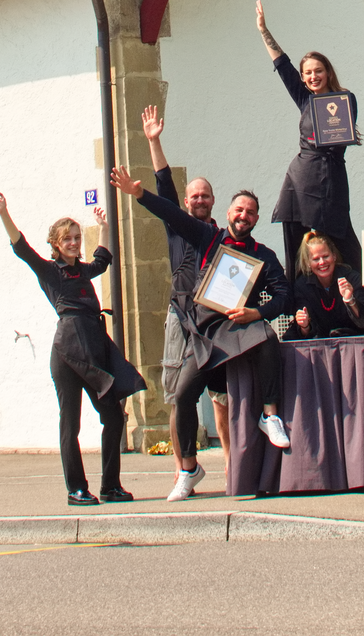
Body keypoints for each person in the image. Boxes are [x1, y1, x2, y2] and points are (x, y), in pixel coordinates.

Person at [110, 164, 292, 501]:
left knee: (267, 337)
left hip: (240, 329)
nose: (244, 215)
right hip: (206, 333)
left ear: (255, 219)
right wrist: (139, 193)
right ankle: (189, 469)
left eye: (250, 212)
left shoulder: (263, 256)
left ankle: (270, 415)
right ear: (229, 213)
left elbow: (284, 296)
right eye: (239, 209)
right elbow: (171, 213)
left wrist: (257, 313)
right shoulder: (208, 237)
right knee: (182, 396)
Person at [0, 189, 146, 506]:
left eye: (77, 237)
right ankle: (76, 489)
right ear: (56, 244)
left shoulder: (82, 270)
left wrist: (103, 227)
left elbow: (102, 261)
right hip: (67, 353)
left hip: (93, 347)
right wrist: (3, 212)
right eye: (67, 239)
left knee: (114, 416)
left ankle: (110, 486)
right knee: (70, 423)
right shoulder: (51, 272)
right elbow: (22, 248)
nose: (74, 243)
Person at [140, 104, 232, 480]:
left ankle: (232, 465)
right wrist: (154, 141)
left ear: (213, 201)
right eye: (193, 196)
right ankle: (183, 471)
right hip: (180, 316)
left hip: (214, 321)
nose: (198, 200)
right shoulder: (176, 226)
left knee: (221, 396)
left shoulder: (222, 238)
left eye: (204, 195)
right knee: (178, 396)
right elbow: (164, 184)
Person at [255, 0, 361, 276]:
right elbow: (282, 65)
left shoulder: (345, 99)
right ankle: (297, 298)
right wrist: (264, 30)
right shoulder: (304, 100)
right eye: (308, 73)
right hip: (301, 177)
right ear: (303, 78)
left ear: (328, 72)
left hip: (331, 177)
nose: (313, 76)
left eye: (318, 71)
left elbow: (340, 134)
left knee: (344, 243)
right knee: (296, 247)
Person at [285, 231, 364, 339]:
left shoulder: (352, 278)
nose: (322, 262)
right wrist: (304, 326)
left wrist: (350, 299)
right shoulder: (302, 285)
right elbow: (307, 333)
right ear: (308, 263)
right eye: (316, 259)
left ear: (334, 256)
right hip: (321, 340)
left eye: (325, 256)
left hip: (353, 337)